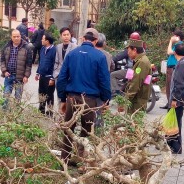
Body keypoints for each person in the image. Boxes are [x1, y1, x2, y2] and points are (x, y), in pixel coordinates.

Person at [57, 28, 111, 162]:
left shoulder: (72, 54)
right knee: (86, 130)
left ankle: (65, 159)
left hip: (71, 97)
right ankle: (82, 160)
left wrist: (63, 98)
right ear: (96, 41)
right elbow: (104, 80)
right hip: (89, 99)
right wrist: (106, 100)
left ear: (83, 39)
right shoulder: (99, 56)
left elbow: (62, 78)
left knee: (69, 128)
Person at [167, 43, 184, 154]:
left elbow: (179, 84)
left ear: (175, 53)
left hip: (177, 99)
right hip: (183, 98)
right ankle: (173, 145)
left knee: (174, 122)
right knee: (176, 121)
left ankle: (175, 147)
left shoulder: (181, 64)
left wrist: (174, 99)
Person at [0, 29, 32, 104]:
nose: (16, 38)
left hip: (20, 77)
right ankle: (4, 114)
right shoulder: (7, 46)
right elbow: (2, 60)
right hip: (9, 75)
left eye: (18, 36)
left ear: (20, 36)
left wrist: (26, 76)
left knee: (18, 98)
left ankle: (16, 113)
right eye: (14, 36)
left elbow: (29, 64)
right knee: (5, 97)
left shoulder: (26, 48)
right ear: (11, 37)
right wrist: (4, 71)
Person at [124, 39, 152, 113]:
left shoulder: (142, 62)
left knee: (133, 123)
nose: (127, 52)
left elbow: (135, 83)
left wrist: (126, 100)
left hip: (137, 101)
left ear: (134, 50)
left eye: (128, 49)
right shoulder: (139, 60)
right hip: (136, 99)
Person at [162, 30, 184, 109]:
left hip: (172, 67)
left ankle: (170, 103)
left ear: (178, 37)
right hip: (171, 66)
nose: (172, 37)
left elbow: (169, 52)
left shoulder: (179, 45)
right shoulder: (178, 44)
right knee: (169, 86)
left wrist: (170, 41)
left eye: (174, 36)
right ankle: (169, 102)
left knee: (170, 86)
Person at [35, 33, 57, 115]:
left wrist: (52, 78)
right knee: (41, 93)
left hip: (49, 77)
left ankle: (50, 112)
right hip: (42, 76)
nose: (41, 40)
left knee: (49, 95)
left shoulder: (54, 50)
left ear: (47, 41)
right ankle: (41, 111)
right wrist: (37, 72)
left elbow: (55, 64)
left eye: (43, 39)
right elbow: (41, 62)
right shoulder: (42, 49)